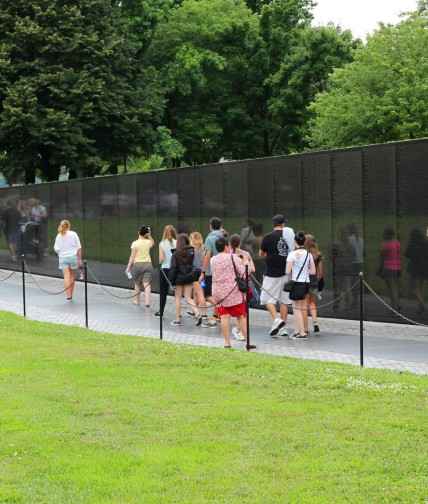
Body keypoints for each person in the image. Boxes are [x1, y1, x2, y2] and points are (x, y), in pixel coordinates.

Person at [210, 237, 256, 349]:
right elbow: (246, 271)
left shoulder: (213, 260)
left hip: (218, 292)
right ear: (226, 247)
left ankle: (227, 343)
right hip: (233, 292)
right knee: (240, 316)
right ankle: (248, 342)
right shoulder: (233, 257)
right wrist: (246, 262)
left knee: (224, 317)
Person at [259, 214, 293, 337]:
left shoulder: (268, 237)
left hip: (271, 273)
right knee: (284, 301)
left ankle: (276, 319)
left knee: (266, 299)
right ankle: (283, 328)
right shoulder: (288, 237)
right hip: (286, 272)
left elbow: (261, 253)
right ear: (283, 224)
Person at [286, 231, 316, 339]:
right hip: (305, 282)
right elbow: (313, 271)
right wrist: (304, 271)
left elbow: (287, 271)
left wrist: (295, 268)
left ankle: (302, 333)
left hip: (296, 283)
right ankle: (296, 331)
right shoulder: (309, 254)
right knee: (300, 307)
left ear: (295, 241)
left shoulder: (292, 254)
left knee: (296, 309)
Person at [168, 233, 200, 326]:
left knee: (178, 298)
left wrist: (171, 282)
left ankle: (177, 320)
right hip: (189, 277)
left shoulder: (175, 253)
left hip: (178, 278)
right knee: (189, 298)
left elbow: (173, 268)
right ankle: (197, 314)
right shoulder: (192, 251)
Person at [229, 233, 255, 341]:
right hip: (244, 283)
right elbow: (252, 269)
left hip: (233, 283)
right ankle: (239, 330)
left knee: (239, 309)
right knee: (243, 308)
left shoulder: (229, 255)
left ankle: (238, 329)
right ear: (240, 243)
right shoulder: (246, 254)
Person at [199, 217, 224, 328]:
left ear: (211, 226)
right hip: (222, 269)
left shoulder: (210, 239)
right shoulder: (222, 237)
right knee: (216, 295)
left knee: (208, 294)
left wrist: (202, 271)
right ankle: (215, 318)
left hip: (211, 270)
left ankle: (221, 312)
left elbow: (208, 256)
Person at [125, 225, 154, 307]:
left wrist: (128, 267)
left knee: (137, 283)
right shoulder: (148, 242)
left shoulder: (134, 243)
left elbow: (132, 256)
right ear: (145, 234)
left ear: (138, 232)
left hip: (137, 264)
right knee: (147, 283)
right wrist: (149, 235)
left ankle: (137, 301)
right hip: (148, 264)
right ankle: (147, 302)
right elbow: (153, 243)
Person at [53, 220, 82, 301]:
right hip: (73, 257)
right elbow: (79, 247)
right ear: (69, 226)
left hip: (63, 258)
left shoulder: (59, 235)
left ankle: (68, 296)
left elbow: (56, 249)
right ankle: (71, 295)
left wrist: (61, 253)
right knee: (72, 276)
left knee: (66, 276)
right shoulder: (74, 234)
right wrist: (79, 259)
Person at [154, 225, 177, 317]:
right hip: (175, 269)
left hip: (165, 269)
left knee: (163, 291)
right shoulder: (177, 242)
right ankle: (177, 313)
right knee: (176, 292)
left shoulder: (162, 244)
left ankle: (161, 311)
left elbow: (161, 258)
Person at [302, 234, 323, 334]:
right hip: (314, 281)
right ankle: (315, 321)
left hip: (304, 281)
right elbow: (320, 272)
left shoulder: (303, 254)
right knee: (312, 303)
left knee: (304, 304)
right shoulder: (317, 255)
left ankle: (305, 328)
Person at [404, 228, 428, 315]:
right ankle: (420, 306)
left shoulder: (412, 245)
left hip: (415, 268)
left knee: (415, 288)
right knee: (421, 288)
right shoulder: (425, 244)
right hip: (424, 268)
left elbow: (407, 254)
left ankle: (421, 303)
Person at [332, 227, 356, 310]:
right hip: (348, 268)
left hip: (339, 268)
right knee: (347, 287)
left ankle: (336, 304)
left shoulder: (336, 246)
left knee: (338, 287)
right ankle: (348, 305)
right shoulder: (351, 246)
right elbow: (354, 257)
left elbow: (333, 258)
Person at [379, 225, 401, 313]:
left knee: (391, 289)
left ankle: (394, 307)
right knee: (395, 288)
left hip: (389, 268)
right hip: (398, 267)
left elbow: (381, 257)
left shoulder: (385, 245)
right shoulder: (397, 243)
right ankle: (397, 305)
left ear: (387, 235)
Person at [189, 231, 208, 324]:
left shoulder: (192, 249)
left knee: (200, 293)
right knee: (196, 293)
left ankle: (204, 313)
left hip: (194, 272)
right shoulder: (203, 249)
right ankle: (193, 311)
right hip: (202, 272)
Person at [347, 223, 365, 308]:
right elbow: (364, 251)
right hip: (360, 263)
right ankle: (356, 299)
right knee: (357, 282)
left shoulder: (350, 239)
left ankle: (354, 301)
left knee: (352, 283)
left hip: (353, 263)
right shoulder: (361, 239)